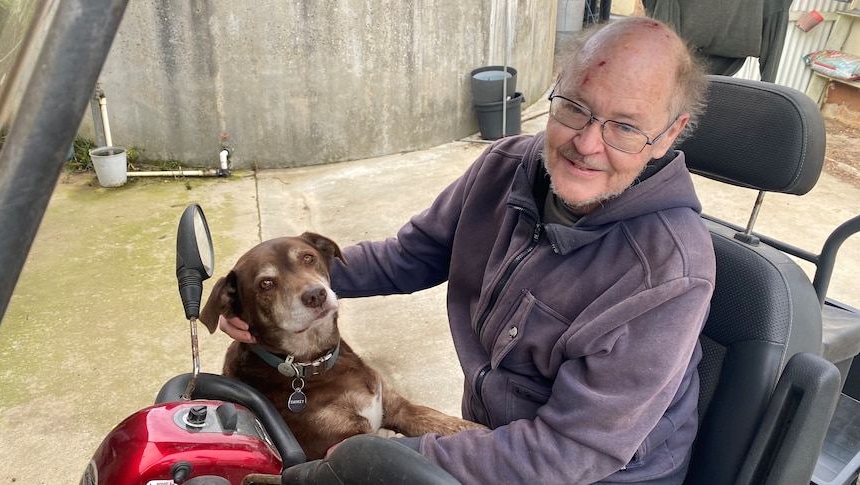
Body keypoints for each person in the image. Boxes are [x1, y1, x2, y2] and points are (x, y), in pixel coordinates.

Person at [221, 16, 715, 484]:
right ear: (556, 87)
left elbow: (571, 452)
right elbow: (409, 256)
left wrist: (399, 459)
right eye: (576, 107)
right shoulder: (503, 168)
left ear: (668, 134)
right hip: (493, 442)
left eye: (625, 127)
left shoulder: (669, 271)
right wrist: (282, 289)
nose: (586, 143)